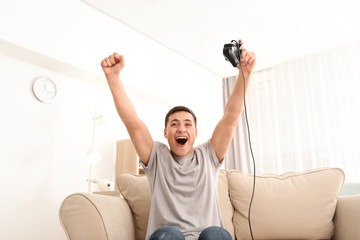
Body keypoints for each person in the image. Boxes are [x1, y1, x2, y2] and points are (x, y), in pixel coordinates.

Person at [100, 40, 256, 240]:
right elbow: (133, 123)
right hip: (169, 238)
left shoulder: (208, 155)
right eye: (174, 124)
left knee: (215, 233)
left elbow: (230, 119)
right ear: (165, 132)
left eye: (187, 124)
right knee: (171, 234)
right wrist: (113, 78)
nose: (181, 128)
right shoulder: (156, 156)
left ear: (196, 133)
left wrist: (245, 73)